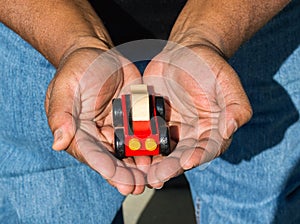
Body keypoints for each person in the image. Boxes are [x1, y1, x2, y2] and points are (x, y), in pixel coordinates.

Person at [0, 0, 299, 223]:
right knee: (53, 209)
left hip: (252, 19)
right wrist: (74, 44)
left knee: (257, 206)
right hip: (40, 22)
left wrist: (207, 35)